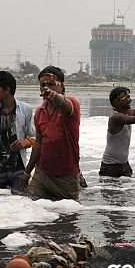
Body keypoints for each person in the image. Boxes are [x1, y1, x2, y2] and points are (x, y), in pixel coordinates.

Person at [24, 66, 81, 201]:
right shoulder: (39, 111)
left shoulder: (71, 103)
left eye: (51, 84)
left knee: (67, 218)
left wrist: (56, 97)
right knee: (33, 212)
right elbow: (38, 143)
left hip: (66, 178)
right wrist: (27, 173)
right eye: (42, 84)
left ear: (61, 86)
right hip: (42, 174)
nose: (46, 88)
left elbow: (65, 105)